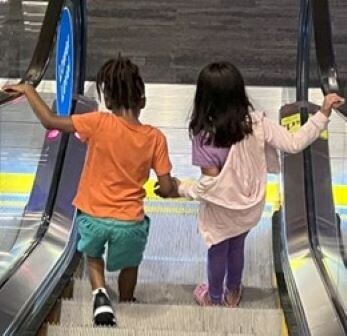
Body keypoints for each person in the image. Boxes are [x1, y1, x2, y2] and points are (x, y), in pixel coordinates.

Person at [4, 56, 177, 326]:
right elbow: (166, 186)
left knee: (93, 257)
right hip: (129, 222)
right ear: (142, 100)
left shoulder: (98, 122)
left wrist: (29, 90)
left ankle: (99, 295)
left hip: (93, 216)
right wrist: (166, 190)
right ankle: (127, 299)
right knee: (130, 264)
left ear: (107, 101)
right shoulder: (155, 138)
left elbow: (50, 121)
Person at [156, 62, 344, 307]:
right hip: (250, 206)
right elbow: (295, 142)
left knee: (217, 250)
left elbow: (210, 186)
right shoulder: (257, 124)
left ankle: (214, 298)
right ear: (239, 93)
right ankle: (233, 293)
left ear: (203, 97)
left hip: (221, 211)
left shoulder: (205, 136)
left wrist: (179, 188)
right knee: (237, 246)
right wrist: (323, 113)